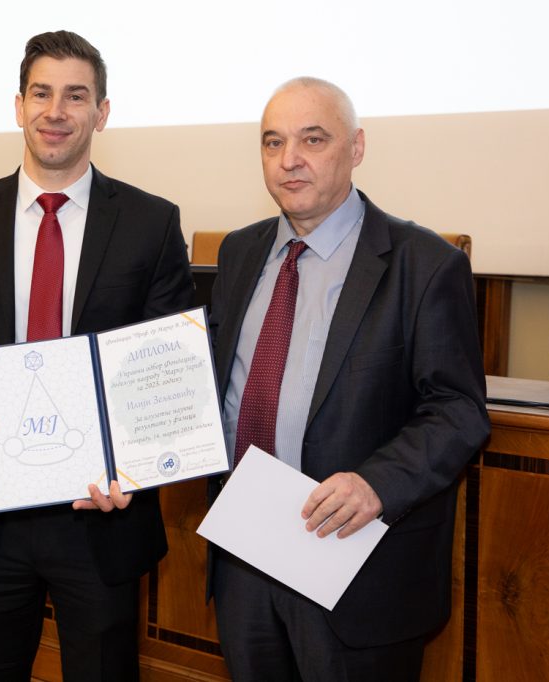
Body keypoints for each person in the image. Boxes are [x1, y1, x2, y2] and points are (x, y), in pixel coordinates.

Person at [0, 30, 192, 682]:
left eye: (75, 95)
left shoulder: (151, 223)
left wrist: (135, 466)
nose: (55, 111)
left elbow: (166, 372)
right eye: (41, 93)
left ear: (102, 112)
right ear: (17, 105)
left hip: (100, 515)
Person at [207, 77, 490, 681]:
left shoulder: (426, 264)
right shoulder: (237, 254)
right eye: (272, 142)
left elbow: (458, 409)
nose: (290, 160)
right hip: (243, 559)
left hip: (355, 567)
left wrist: (375, 483)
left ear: (356, 148)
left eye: (313, 139)